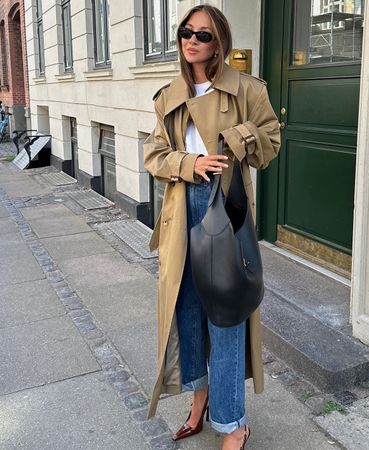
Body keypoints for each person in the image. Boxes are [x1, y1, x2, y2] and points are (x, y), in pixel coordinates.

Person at [143, 5, 280, 450]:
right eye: (185, 32)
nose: (191, 40)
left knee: (226, 317)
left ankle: (233, 423)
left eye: (202, 34)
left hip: (225, 210)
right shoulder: (168, 95)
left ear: (219, 40)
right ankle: (199, 401)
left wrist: (237, 140)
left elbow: (271, 140)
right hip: (182, 208)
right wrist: (191, 162)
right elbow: (154, 155)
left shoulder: (246, 89)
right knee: (188, 315)